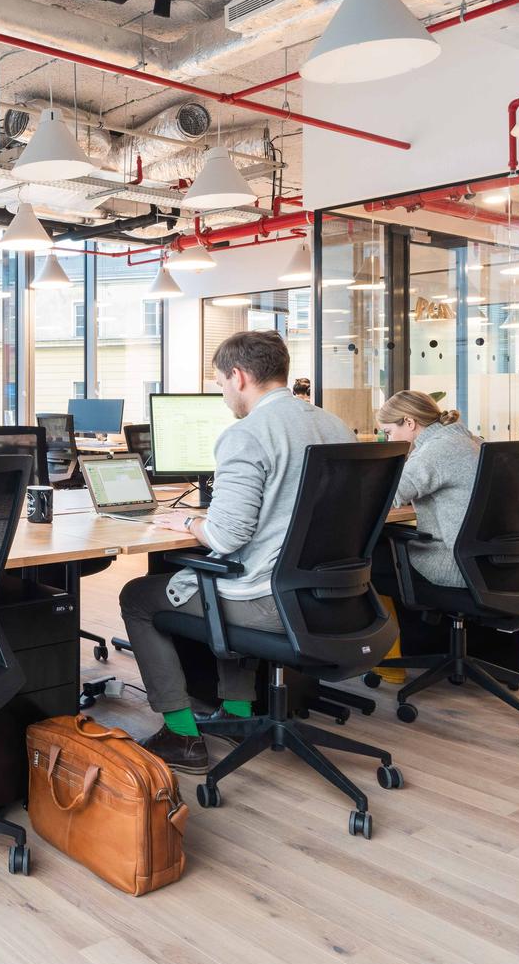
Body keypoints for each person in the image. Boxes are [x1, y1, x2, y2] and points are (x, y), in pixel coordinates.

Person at [117, 331, 354, 775]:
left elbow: (226, 537)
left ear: (239, 376)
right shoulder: (335, 426)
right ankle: (237, 715)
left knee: (139, 597)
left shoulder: (247, 434)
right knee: (231, 573)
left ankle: (182, 735)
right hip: (330, 596)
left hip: (269, 602)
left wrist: (188, 523)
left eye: (221, 383)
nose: (224, 395)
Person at [373, 390, 481, 594]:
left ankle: (417, 614)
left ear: (409, 422)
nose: (389, 440)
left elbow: (386, 496)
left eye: (388, 432)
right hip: (488, 563)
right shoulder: (472, 441)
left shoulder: (434, 450)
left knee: (369, 561)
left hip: (451, 565)